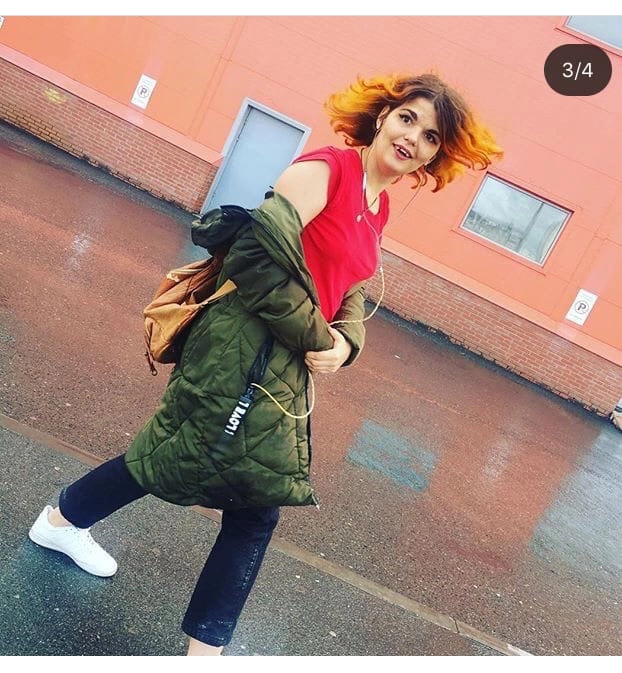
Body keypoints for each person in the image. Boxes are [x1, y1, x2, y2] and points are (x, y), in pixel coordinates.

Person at [28, 73, 502, 655]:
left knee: (183, 457)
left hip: (278, 359)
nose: (412, 138)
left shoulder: (376, 203)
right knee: (239, 499)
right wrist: (315, 337)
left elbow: (351, 286)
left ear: (435, 156)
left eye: (430, 137)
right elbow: (254, 256)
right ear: (382, 116)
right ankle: (201, 650)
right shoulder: (326, 171)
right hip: (240, 344)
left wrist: (346, 343)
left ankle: (61, 522)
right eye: (407, 119)